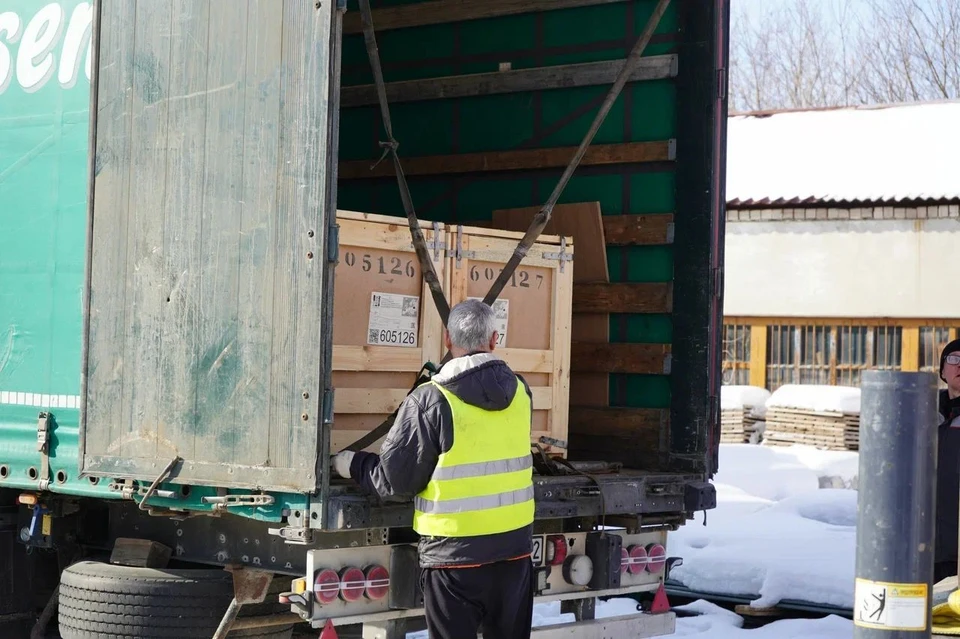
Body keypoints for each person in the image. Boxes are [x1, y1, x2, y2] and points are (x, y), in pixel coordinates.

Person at [332, 298, 536, 639]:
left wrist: (351, 464)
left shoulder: (431, 400)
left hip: (453, 559)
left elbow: (393, 483)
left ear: (447, 340)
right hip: (515, 553)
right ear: (494, 339)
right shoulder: (521, 393)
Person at [935, 339, 960, 583]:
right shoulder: (922, 413)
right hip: (925, 549)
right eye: (954, 359)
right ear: (943, 370)